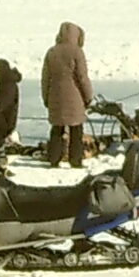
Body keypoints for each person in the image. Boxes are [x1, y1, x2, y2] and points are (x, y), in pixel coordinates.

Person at [42, 20, 94, 168]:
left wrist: (45, 97)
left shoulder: (51, 52)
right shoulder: (77, 52)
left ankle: (53, 158)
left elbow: (45, 78)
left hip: (55, 96)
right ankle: (75, 160)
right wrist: (88, 96)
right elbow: (82, 77)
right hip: (75, 97)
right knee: (76, 130)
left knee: (57, 129)